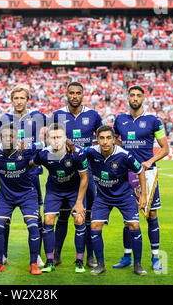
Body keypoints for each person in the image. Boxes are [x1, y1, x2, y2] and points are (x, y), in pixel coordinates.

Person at [112, 85, 169, 271]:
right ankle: (127, 256)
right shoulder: (120, 119)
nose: (135, 98)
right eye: (132, 95)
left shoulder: (154, 121)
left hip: (148, 173)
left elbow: (165, 148)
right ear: (127, 97)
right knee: (128, 217)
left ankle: (155, 258)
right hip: (126, 173)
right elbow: (117, 142)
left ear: (143, 98)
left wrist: (149, 161)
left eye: (138, 95)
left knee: (152, 215)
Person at [50, 81, 103, 268]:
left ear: (83, 95)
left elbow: (102, 138)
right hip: (63, 174)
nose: (74, 96)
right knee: (63, 217)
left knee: (86, 216)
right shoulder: (57, 115)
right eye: (71, 93)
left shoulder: (93, 115)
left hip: (86, 174)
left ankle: (88, 256)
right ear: (66, 94)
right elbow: (50, 140)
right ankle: (56, 254)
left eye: (77, 93)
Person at [0, 85, 47, 267]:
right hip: (11, 173)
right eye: (15, 98)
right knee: (5, 217)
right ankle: (4, 254)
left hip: (32, 172)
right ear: (11, 100)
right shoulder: (5, 119)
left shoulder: (37, 117)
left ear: (27, 99)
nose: (18, 101)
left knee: (36, 216)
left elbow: (57, 130)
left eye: (22, 98)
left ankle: (37, 255)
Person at [0, 124, 43, 275]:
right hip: (6, 196)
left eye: (12, 136)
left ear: (17, 139)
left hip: (27, 195)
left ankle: (33, 263)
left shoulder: (26, 148)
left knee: (33, 226)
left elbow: (43, 144)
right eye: (5, 136)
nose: (8, 139)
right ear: (0, 139)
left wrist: (66, 142)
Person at [85, 125, 147, 276]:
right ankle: (100, 264)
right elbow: (77, 151)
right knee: (95, 226)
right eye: (102, 138)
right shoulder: (91, 152)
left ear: (114, 139)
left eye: (108, 138)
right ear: (97, 140)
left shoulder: (125, 155)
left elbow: (140, 171)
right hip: (103, 197)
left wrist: (143, 195)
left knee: (134, 225)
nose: (105, 142)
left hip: (124, 196)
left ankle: (137, 265)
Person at [33, 123, 89, 273]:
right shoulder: (43, 154)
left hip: (74, 190)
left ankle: (79, 261)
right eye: (53, 138)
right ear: (48, 139)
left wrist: (78, 202)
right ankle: (50, 260)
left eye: (59, 137)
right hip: (54, 190)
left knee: (79, 219)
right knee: (48, 220)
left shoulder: (77, 154)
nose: (56, 140)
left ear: (65, 138)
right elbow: (31, 164)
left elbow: (84, 178)